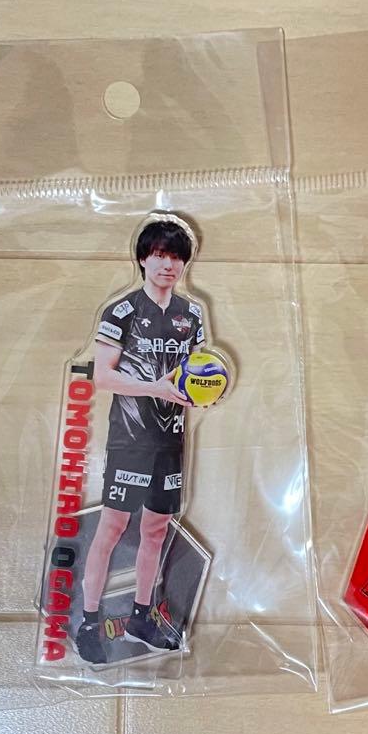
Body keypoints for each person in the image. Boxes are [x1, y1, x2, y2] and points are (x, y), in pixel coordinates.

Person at [74, 219, 204, 663]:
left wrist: (205, 391)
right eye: (160, 255)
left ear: (184, 263)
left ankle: (142, 617)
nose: (168, 265)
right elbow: (103, 376)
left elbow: (197, 373)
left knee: (156, 530)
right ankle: (89, 622)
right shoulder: (122, 312)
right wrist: (156, 388)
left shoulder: (192, 315)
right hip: (130, 440)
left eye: (176, 257)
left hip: (171, 440)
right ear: (144, 259)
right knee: (113, 527)